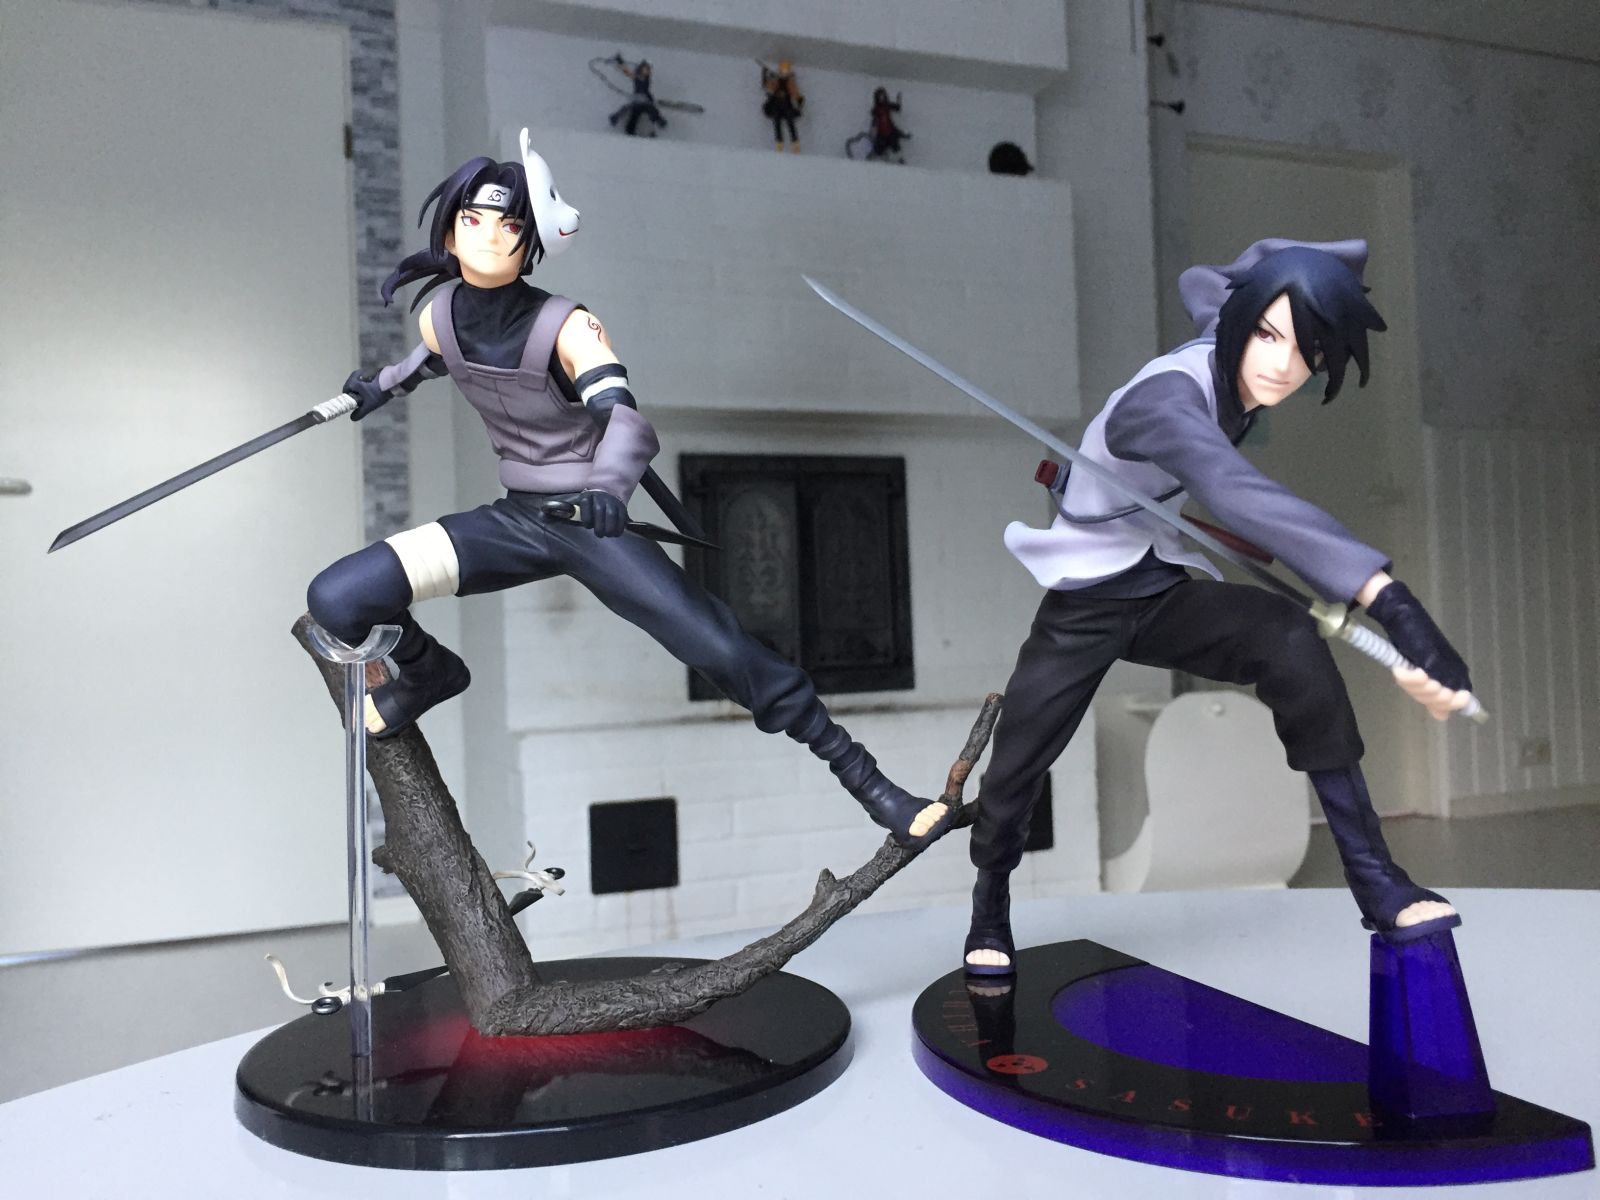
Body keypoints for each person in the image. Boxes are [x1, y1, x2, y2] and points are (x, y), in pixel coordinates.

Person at [306, 131, 950, 851]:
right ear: (451, 233)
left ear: (532, 238)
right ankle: (428, 672)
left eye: (508, 223)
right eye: (473, 220)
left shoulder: (567, 326)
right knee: (338, 597)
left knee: (721, 647)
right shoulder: (441, 314)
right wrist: (376, 389)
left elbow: (625, 418)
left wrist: (610, 487)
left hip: (588, 517)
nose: (488, 235)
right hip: (514, 522)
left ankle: (872, 785)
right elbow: (427, 362)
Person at [964, 238, 1476, 974]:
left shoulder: (1231, 342)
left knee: (1291, 639)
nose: (1281, 365)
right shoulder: (1162, 399)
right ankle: (989, 908)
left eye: (1306, 352)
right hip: (1086, 596)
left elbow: (1206, 285)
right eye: (1268, 335)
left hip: (1160, 584)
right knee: (1017, 760)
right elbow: (1233, 490)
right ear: (1243, 321)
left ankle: (1376, 879)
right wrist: (1392, 604)